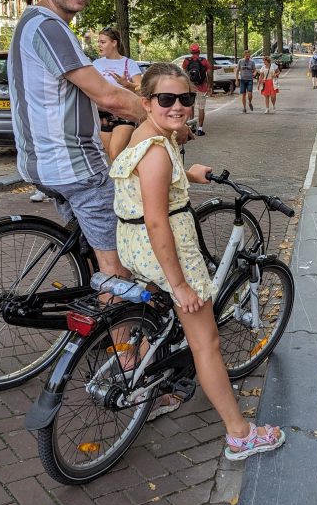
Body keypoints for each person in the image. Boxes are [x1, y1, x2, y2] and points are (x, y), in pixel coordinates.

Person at [110, 62, 286, 459]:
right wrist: (181, 285)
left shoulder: (145, 137)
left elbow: (147, 181)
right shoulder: (157, 152)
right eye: (167, 99)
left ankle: (154, 388)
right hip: (165, 250)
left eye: (185, 99)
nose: (178, 107)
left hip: (132, 247)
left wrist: (188, 174)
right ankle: (240, 433)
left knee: (163, 322)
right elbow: (157, 222)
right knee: (206, 343)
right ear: (147, 101)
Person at [7, 0, 145, 281]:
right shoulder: (49, 27)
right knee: (119, 265)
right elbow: (107, 97)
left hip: (42, 164)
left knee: (95, 254)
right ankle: (121, 333)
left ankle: (95, 313)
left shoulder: (32, 22)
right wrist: (163, 119)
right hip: (75, 166)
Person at [92, 26, 144, 163]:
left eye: (103, 42)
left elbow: (142, 89)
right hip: (103, 115)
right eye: (99, 42)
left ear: (114, 43)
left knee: (115, 153)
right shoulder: (95, 64)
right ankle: (127, 179)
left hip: (125, 113)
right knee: (112, 156)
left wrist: (128, 85)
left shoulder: (128, 63)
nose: (99, 45)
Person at [183, 43, 212, 135]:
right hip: (202, 87)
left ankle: (192, 127)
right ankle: (200, 129)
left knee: (191, 106)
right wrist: (210, 85)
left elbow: (184, 74)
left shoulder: (187, 61)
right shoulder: (204, 61)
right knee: (201, 108)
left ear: (191, 51)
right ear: (199, 51)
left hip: (191, 87)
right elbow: (209, 74)